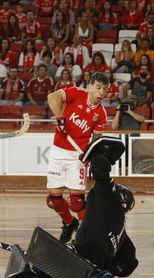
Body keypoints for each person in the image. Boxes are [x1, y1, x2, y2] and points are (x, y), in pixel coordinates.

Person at [45, 72, 108, 242]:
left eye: (105, 89)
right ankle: (69, 223)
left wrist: (90, 158)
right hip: (58, 150)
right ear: (90, 86)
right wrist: (60, 119)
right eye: (98, 88)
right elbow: (52, 97)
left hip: (77, 156)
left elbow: (95, 141)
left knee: (77, 201)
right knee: (54, 199)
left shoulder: (101, 114)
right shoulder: (76, 93)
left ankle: (86, 236)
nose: (101, 92)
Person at [72, 139, 138, 278]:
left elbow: (101, 172)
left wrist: (96, 154)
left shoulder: (111, 206)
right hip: (99, 265)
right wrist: (108, 269)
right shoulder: (120, 229)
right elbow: (129, 265)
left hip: (83, 254)